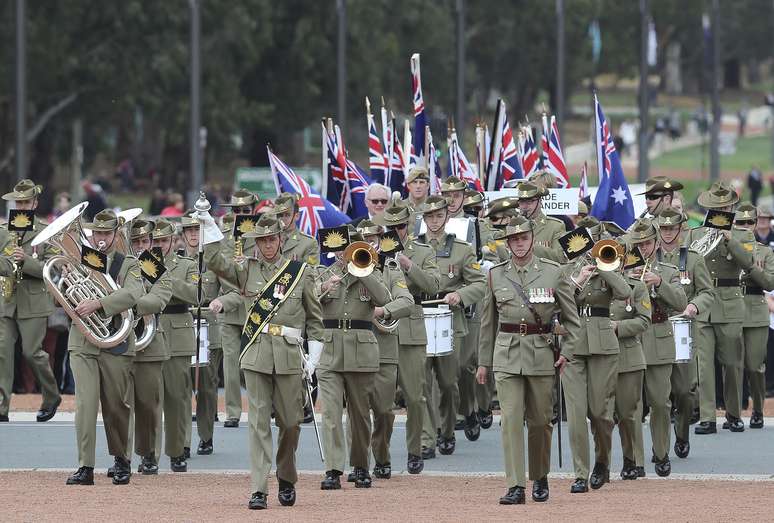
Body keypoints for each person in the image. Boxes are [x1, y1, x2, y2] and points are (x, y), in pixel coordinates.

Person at [203, 212, 324, 510]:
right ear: (255, 242)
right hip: (256, 355)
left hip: (289, 356)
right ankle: (259, 488)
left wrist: (314, 361)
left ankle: (286, 476)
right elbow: (217, 264)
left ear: (281, 239)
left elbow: (315, 321)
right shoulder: (246, 271)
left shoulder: (300, 272)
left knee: (291, 423)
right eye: (262, 240)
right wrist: (209, 230)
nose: (268, 245)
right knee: (258, 423)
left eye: (272, 239)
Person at [477, 215, 580, 504]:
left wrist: (568, 353)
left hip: (540, 353)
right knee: (509, 419)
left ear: (532, 239)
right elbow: (488, 322)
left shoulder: (553, 272)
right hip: (507, 354)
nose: (519, 244)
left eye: (523, 238)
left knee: (540, 421)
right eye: (513, 239)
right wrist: (483, 362)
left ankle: (540, 475)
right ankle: (515, 485)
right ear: (507, 243)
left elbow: (572, 321)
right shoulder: (496, 274)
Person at [65, 210, 145, 485]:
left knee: (116, 406)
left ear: (115, 235)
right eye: (97, 234)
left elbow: (134, 293)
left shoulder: (129, 263)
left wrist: (98, 304)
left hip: (116, 341)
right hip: (84, 339)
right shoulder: (81, 261)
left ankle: (122, 459)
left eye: (106, 234)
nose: (101, 239)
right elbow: (64, 294)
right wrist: (67, 282)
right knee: (85, 405)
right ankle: (85, 466)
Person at [316, 228, 391, 490]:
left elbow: (384, 298)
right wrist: (325, 288)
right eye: (339, 249)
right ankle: (333, 469)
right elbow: (310, 301)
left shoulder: (371, 270)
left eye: (347, 248)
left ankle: (360, 466)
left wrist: (363, 270)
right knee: (331, 414)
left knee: (360, 415)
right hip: (331, 350)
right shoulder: (323, 273)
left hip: (361, 350)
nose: (342, 253)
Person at [562, 224, 631, 493]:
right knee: (577, 414)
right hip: (574, 344)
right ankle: (580, 473)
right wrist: (578, 277)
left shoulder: (609, 261)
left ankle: (602, 462)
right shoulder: (566, 267)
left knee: (601, 413)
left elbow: (625, 292)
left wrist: (603, 265)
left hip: (603, 344)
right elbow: (560, 298)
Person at [417, 195, 486, 457]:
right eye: (429, 216)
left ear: (446, 217)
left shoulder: (462, 248)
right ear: (423, 219)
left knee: (447, 381)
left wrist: (461, 295)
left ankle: (446, 430)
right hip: (420, 319)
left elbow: (479, 283)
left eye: (438, 216)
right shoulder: (413, 248)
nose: (434, 221)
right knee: (422, 382)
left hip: (449, 319)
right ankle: (427, 438)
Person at [685, 182, 755, 434]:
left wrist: (729, 239)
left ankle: (734, 414)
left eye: (725, 206)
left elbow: (749, 264)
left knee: (732, 363)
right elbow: (688, 266)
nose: (722, 210)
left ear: (732, 206)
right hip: (703, 303)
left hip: (729, 300)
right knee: (703, 364)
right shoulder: (695, 234)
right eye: (717, 207)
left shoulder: (743, 235)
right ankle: (707, 417)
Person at [377, 202, 440, 473]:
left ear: (409, 226)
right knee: (382, 400)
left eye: (400, 226)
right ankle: (381, 455)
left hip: (411, 328)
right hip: (381, 328)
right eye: (390, 228)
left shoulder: (423, 251)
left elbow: (435, 285)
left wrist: (409, 264)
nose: (395, 232)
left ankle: (415, 450)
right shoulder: (374, 251)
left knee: (415, 397)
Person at [351, 220, 413, 481]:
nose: (370, 243)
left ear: (380, 240)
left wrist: (383, 310)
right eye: (364, 239)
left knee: (385, 411)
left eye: (374, 238)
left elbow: (406, 301)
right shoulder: (348, 269)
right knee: (357, 411)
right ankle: (359, 463)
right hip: (355, 348)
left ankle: (382, 455)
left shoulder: (391, 268)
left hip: (384, 348)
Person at [628, 219, 687, 477]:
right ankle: (635, 460)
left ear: (656, 242)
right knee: (631, 404)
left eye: (648, 243)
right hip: (631, 338)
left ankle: (661, 452)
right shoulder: (623, 269)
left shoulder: (668, 269)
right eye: (638, 244)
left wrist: (659, 283)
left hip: (659, 336)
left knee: (660, 402)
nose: (643, 248)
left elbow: (681, 301)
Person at [0, 179, 61, 424]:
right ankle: (2, 406)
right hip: (7, 300)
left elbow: (53, 270)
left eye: (26, 202)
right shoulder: (5, 231)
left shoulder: (45, 232)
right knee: (2, 350)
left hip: (34, 303)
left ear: (34, 203)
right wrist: (8, 263)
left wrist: (26, 260)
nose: (22, 206)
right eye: (19, 202)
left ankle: (51, 396)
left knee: (32, 353)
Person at [655, 208, 713, 461]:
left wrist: (694, 306)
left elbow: (707, 292)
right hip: (653, 328)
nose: (667, 233)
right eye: (663, 228)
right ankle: (660, 447)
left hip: (681, 328)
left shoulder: (692, 259)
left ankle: (681, 433)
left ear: (681, 229)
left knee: (684, 391)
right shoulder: (647, 256)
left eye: (671, 228)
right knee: (657, 393)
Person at [152, 220, 199, 471]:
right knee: (150, 398)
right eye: (155, 241)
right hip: (150, 329)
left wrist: (165, 276)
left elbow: (196, 295)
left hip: (177, 330)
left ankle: (177, 450)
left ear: (173, 241)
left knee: (177, 396)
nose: (159, 246)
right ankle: (150, 453)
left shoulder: (186, 265)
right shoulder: (140, 264)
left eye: (163, 241)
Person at [127, 219, 172, 475]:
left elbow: (159, 299)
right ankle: (122, 456)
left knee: (148, 403)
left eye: (145, 241)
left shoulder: (153, 266)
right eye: (136, 242)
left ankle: (149, 454)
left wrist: (130, 302)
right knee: (121, 404)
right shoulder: (123, 266)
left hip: (150, 341)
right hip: (119, 340)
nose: (141, 246)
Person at [215, 190, 259, 428]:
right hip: (230, 303)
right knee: (230, 363)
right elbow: (217, 269)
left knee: (256, 361)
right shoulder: (224, 237)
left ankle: (261, 407)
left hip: (255, 304)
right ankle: (232, 412)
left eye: (245, 211)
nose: (241, 215)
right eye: (237, 211)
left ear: (254, 210)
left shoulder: (265, 236)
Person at [180, 213, 222, 456]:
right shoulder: (177, 261)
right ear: (183, 235)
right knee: (182, 385)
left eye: (197, 229)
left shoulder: (215, 262)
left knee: (206, 387)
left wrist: (219, 301)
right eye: (189, 230)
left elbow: (230, 291)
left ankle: (206, 436)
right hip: (183, 327)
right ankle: (183, 439)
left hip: (209, 328)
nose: (194, 234)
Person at [609, 249, 651, 480]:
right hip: (598, 355)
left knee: (628, 412)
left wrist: (618, 327)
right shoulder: (593, 285)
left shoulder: (636, 286)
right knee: (599, 414)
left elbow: (644, 321)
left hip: (627, 355)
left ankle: (632, 459)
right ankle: (600, 462)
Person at [732, 203, 774, 428]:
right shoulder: (727, 249)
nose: (746, 227)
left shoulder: (765, 252)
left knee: (755, 365)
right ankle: (735, 412)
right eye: (741, 223)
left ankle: (758, 408)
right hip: (732, 309)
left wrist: (752, 268)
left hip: (756, 309)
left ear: (756, 224)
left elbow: (769, 282)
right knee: (733, 364)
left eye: (750, 222)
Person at [514, 181, 565, 261]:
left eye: (529, 202)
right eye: (522, 202)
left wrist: (531, 246)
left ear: (540, 202)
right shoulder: (512, 226)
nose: (524, 206)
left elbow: (560, 257)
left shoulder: (555, 226)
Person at [274, 193, 319, 265]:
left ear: (297, 216)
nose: (282, 219)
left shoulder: (309, 243)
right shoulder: (268, 240)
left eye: (287, 215)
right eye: (280, 215)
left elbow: (312, 273)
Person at [403, 167, 430, 232]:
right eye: (414, 182)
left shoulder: (434, 208)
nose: (418, 186)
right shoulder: (399, 207)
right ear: (408, 185)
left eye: (422, 182)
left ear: (428, 186)